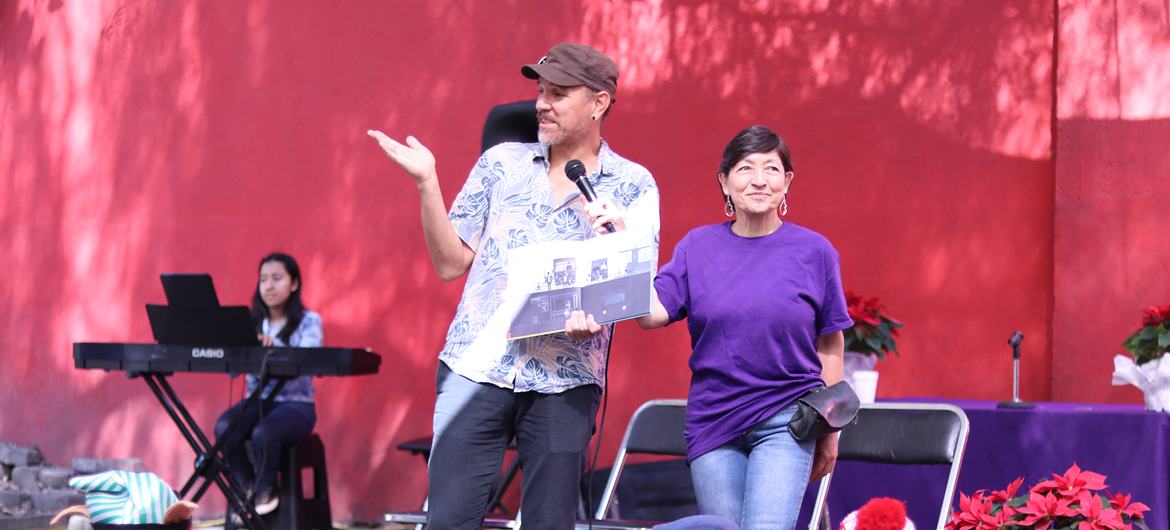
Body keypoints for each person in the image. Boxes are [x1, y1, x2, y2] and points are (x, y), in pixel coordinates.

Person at [367, 42, 659, 529]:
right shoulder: (500, 163)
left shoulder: (634, 185)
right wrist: (427, 183)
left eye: (558, 93)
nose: (542, 103)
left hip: (566, 376)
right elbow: (449, 264)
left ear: (599, 102)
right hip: (476, 366)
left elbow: (636, 293)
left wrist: (603, 302)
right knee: (449, 520)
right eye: (541, 91)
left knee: (549, 522)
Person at [633, 125, 853, 530]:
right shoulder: (697, 247)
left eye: (771, 168)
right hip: (714, 422)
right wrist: (621, 247)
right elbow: (651, 315)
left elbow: (830, 343)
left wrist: (831, 430)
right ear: (724, 182)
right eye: (745, 168)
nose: (758, 180)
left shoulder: (815, 252)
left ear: (787, 182)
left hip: (787, 419)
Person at [214, 252, 322, 516]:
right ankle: (246, 485)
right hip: (257, 401)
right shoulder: (251, 324)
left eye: (276, 278)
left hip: (296, 405)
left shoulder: (309, 321)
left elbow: (309, 359)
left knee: (265, 432)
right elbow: (233, 373)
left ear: (294, 283)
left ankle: (266, 488)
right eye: (263, 280)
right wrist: (241, 349)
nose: (269, 286)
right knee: (224, 428)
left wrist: (275, 347)